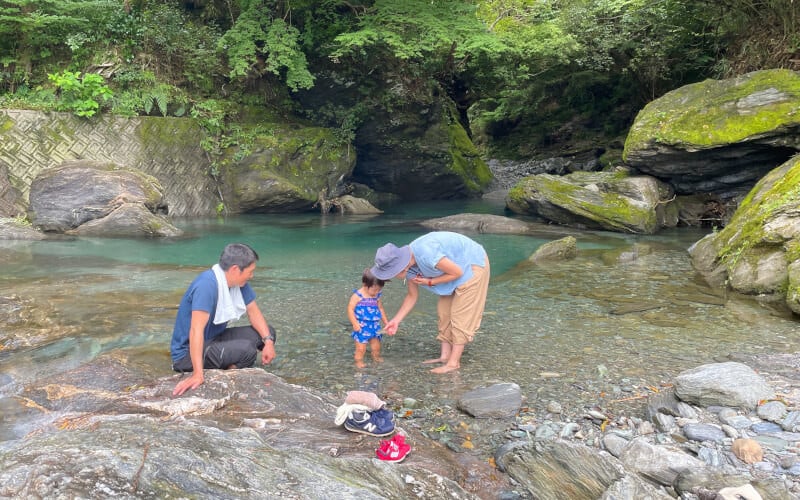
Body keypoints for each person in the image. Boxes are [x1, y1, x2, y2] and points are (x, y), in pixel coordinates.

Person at [370, 231, 490, 374]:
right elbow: (411, 296)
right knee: (443, 311)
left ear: (399, 267)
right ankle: (445, 356)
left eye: (390, 273)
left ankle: (453, 363)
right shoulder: (409, 266)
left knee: (460, 316)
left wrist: (431, 282)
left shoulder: (426, 253)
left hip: (472, 265)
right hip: (452, 271)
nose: (391, 277)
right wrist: (396, 320)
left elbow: (457, 272)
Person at [170, 243, 276, 396]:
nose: (252, 276)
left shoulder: (238, 282)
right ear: (235, 269)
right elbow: (195, 331)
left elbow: (254, 312)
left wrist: (268, 342)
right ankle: (226, 375)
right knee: (247, 350)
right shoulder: (206, 285)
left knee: (268, 333)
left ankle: (227, 360)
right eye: (250, 271)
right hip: (186, 354)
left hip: (214, 338)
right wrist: (197, 375)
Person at [347, 268, 388, 368]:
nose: (376, 292)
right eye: (375, 289)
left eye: (379, 289)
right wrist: (355, 323)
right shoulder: (358, 296)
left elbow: (380, 308)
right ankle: (359, 362)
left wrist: (386, 322)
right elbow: (350, 309)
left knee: (376, 347)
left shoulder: (376, 295)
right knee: (361, 349)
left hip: (375, 326)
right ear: (365, 284)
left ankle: (376, 357)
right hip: (361, 327)